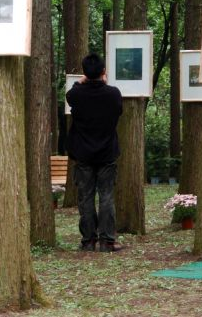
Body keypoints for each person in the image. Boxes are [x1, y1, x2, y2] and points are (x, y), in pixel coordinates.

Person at [66, 53, 123, 252]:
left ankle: (88, 240)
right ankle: (107, 241)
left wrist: (83, 80)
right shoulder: (113, 94)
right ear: (104, 71)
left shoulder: (76, 95)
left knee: (86, 197)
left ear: (84, 73)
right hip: (107, 153)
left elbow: (72, 92)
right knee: (106, 196)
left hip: (83, 154)